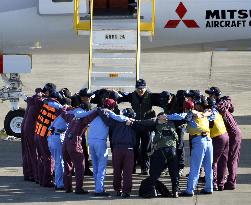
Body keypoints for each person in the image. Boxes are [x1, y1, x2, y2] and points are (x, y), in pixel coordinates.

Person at [76, 98, 128, 196]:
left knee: (95, 166)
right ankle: (99, 189)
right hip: (100, 142)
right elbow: (119, 118)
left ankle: (97, 187)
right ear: (111, 107)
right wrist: (129, 119)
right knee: (101, 166)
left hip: (90, 141)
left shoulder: (95, 112)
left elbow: (79, 115)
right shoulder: (107, 112)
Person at [167, 100, 214, 196]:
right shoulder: (202, 114)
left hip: (199, 141)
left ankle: (189, 190)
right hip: (209, 140)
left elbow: (178, 116)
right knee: (208, 167)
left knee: (195, 167)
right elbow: (211, 113)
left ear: (185, 108)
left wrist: (166, 116)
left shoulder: (190, 114)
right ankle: (209, 188)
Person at [117, 79, 160, 175]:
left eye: (142, 88)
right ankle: (132, 167)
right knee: (134, 147)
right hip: (135, 125)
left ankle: (145, 168)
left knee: (147, 148)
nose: (140, 90)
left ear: (145, 87)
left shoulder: (151, 96)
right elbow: (119, 99)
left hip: (146, 125)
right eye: (138, 88)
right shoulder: (132, 96)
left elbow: (163, 100)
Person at [205, 86, 242, 190]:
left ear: (216, 95)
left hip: (233, 133)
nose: (209, 97)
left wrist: (215, 105)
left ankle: (231, 182)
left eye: (211, 95)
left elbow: (226, 103)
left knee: (232, 159)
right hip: (226, 133)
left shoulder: (222, 103)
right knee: (223, 158)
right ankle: (223, 180)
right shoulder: (219, 105)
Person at [207, 97, 229, 191]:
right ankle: (221, 183)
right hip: (225, 135)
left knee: (213, 161)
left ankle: (214, 183)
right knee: (223, 161)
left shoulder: (209, 113)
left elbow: (209, 126)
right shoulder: (216, 110)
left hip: (217, 138)